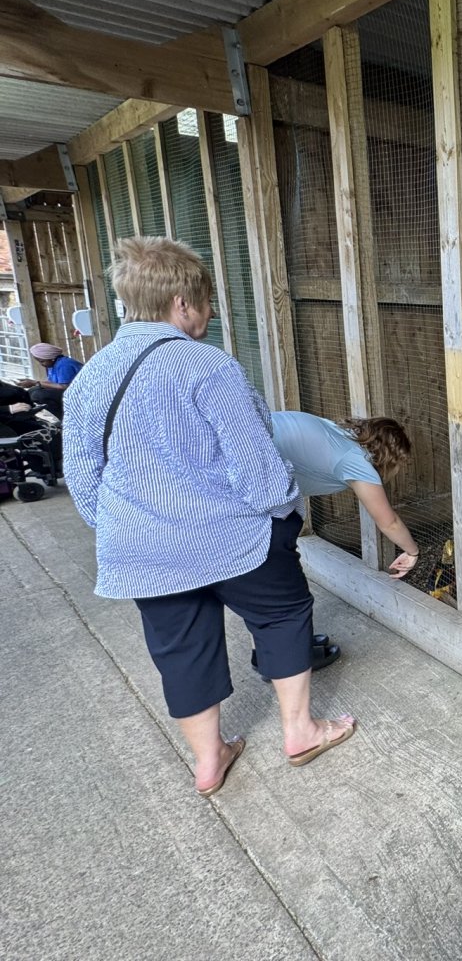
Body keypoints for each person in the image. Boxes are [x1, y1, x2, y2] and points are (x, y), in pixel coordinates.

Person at [63, 236, 355, 797]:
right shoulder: (208, 366)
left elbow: (82, 476)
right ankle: (300, 731)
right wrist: (285, 513)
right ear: (181, 303)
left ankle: (209, 760)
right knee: (283, 613)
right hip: (231, 538)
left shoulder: (91, 377)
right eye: (205, 301)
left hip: (143, 549)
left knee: (179, 644)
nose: (211, 313)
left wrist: (129, 527)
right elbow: (257, 467)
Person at [253, 411, 420, 679]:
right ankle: (282, 660)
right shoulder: (356, 461)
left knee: (268, 580)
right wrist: (412, 551)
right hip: (252, 488)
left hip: (251, 467)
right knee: (280, 583)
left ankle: (278, 650)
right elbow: (388, 522)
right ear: (390, 457)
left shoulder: (339, 434)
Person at [18, 341, 81, 420]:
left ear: (52, 358)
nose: (41, 364)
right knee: (32, 391)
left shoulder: (64, 365)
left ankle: (66, 419)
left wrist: (36, 383)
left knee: (39, 395)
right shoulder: (53, 364)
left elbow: (65, 386)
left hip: (80, 393)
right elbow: (52, 383)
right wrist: (34, 383)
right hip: (69, 391)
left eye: (42, 361)